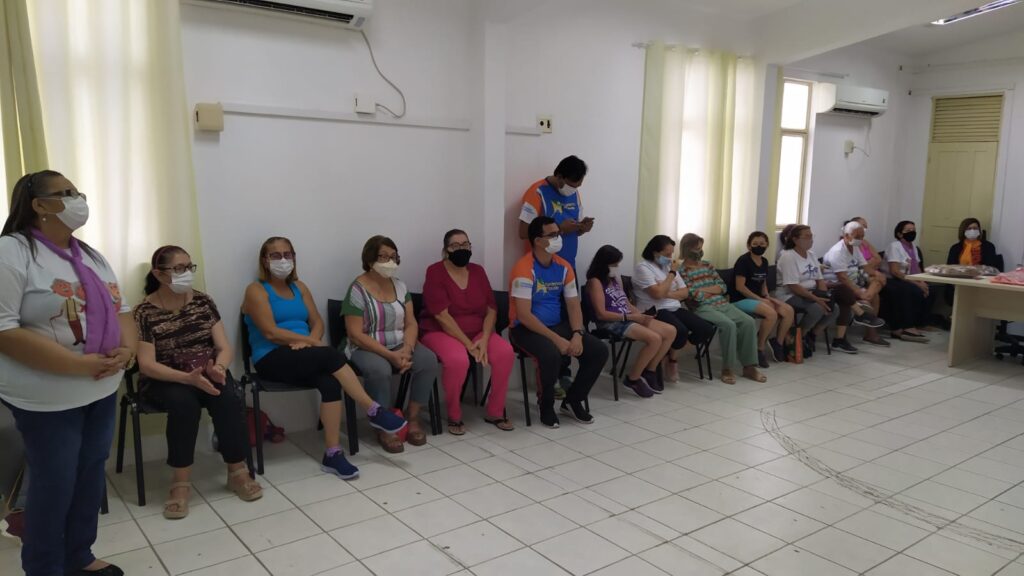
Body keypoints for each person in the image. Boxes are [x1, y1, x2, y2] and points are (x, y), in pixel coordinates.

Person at [0, 171, 136, 576]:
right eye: (67, 193)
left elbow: (122, 309)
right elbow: (4, 330)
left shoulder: (90, 255)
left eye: (78, 192)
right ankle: (44, 567)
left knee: (90, 475)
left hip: (100, 388)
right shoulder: (12, 251)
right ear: (39, 205)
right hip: (47, 398)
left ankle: (80, 556)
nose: (79, 200)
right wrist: (77, 365)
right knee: (54, 483)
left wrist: (128, 350)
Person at [243, 237, 406, 479]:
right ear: (265, 261)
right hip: (271, 357)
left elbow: (317, 322)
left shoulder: (299, 287)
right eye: (276, 255)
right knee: (330, 354)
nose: (283, 260)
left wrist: (309, 341)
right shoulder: (256, 290)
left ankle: (332, 453)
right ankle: (373, 409)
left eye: (288, 254)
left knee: (330, 383)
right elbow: (270, 332)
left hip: (304, 353)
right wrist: (310, 342)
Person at [135, 246, 262, 520]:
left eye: (189, 267)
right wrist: (186, 379)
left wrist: (219, 368)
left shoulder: (203, 302)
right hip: (165, 377)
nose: (187, 273)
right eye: (178, 268)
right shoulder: (144, 311)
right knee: (184, 404)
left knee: (228, 395)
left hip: (206, 371)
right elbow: (146, 365)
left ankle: (237, 471)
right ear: (159, 274)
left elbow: (224, 347)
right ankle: (180, 483)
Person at [509, 217, 608, 428]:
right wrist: (557, 340)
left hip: (557, 325)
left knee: (598, 351)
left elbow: (573, 305)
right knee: (551, 354)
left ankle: (572, 401)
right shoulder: (523, 268)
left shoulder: (564, 267)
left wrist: (577, 334)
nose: (558, 238)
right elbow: (524, 315)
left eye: (558, 233)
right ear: (537, 241)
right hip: (525, 329)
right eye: (552, 235)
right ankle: (546, 406)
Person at [343, 235, 439, 453]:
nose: (390, 262)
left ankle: (412, 417)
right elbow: (355, 334)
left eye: (393, 257)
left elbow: (411, 323)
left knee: (428, 360)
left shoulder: (400, 286)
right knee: (380, 370)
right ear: (370, 260)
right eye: (383, 257)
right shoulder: (357, 289)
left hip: (399, 343)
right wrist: (390, 356)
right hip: (365, 345)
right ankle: (384, 427)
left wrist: (407, 349)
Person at [420, 229, 514, 435]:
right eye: (455, 245)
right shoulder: (435, 271)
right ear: (446, 250)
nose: (461, 249)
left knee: (505, 353)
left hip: (478, 332)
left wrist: (485, 338)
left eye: (465, 244)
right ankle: (454, 414)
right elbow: (442, 316)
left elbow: (491, 308)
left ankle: (495, 411)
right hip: (440, 331)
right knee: (458, 360)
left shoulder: (478, 271)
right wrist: (469, 345)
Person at [517, 155, 593, 399]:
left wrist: (581, 229)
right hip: (540, 271)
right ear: (559, 176)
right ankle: (549, 380)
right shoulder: (537, 192)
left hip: (567, 269)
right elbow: (522, 232)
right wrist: (561, 228)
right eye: (571, 184)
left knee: (569, 323)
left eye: (578, 185)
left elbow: (572, 228)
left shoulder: (575, 194)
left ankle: (565, 373)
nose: (574, 189)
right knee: (546, 325)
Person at [585, 245, 676, 397]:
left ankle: (650, 371)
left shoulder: (613, 280)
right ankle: (633, 379)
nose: (616, 267)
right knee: (654, 339)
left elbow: (626, 303)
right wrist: (632, 317)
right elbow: (601, 314)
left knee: (670, 331)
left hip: (628, 317)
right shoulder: (595, 282)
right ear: (603, 264)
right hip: (612, 322)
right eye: (614, 264)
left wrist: (641, 315)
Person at [678, 234, 765, 384]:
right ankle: (727, 368)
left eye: (701, 248)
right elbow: (692, 294)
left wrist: (704, 290)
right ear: (687, 249)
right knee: (728, 325)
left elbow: (723, 287)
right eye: (697, 248)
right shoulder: (681, 270)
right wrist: (712, 290)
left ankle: (749, 367)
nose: (700, 251)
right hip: (701, 307)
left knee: (748, 322)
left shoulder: (707, 265)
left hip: (722, 303)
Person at [633, 235, 717, 382]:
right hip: (654, 309)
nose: (670, 258)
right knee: (681, 331)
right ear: (655, 252)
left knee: (705, 329)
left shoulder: (668, 267)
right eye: (667, 254)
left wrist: (666, 292)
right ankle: (663, 362)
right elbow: (657, 294)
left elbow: (684, 292)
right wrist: (671, 274)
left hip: (674, 307)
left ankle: (670, 356)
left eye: (671, 253)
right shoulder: (643, 268)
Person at [821, 221, 888, 352]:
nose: (860, 240)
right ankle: (861, 315)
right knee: (847, 296)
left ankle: (869, 328)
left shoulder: (855, 248)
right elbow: (842, 278)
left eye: (862, 237)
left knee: (876, 285)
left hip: (853, 283)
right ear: (847, 235)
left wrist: (877, 274)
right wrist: (858, 291)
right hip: (836, 286)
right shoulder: (838, 251)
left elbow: (865, 267)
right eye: (858, 237)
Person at [774, 225, 839, 357]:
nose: (811, 239)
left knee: (834, 308)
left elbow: (820, 280)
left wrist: (824, 296)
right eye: (807, 236)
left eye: (811, 236)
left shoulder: (812, 255)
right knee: (817, 309)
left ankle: (812, 334)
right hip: (789, 294)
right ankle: (800, 336)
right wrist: (817, 299)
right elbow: (793, 286)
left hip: (811, 292)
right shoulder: (788, 256)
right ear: (795, 239)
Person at [731, 232, 794, 367]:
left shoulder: (764, 261)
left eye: (762, 244)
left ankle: (778, 343)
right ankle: (759, 348)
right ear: (749, 246)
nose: (759, 246)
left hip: (758, 298)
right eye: (755, 244)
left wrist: (767, 297)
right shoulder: (743, 261)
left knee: (788, 310)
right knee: (771, 313)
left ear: (767, 245)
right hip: (740, 300)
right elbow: (740, 287)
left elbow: (763, 283)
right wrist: (760, 299)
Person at [883, 221, 933, 343]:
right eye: (908, 230)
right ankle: (907, 326)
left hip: (908, 278)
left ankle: (921, 323)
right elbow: (895, 271)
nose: (912, 233)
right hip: (893, 279)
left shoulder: (913, 247)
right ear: (899, 234)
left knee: (931, 289)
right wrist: (917, 283)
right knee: (912, 290)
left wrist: (922, 281)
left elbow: (917, 267)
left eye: (913, 230)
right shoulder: (895, 246)